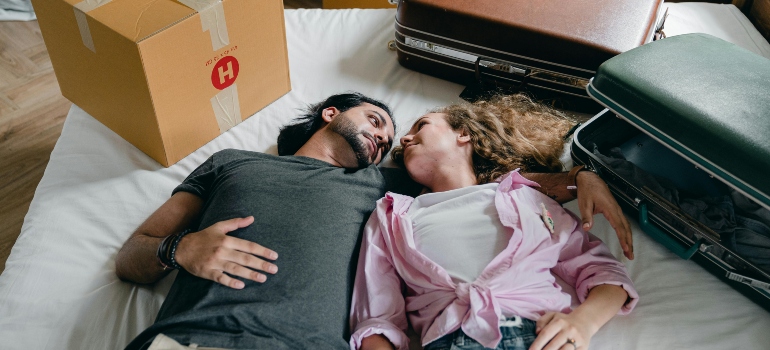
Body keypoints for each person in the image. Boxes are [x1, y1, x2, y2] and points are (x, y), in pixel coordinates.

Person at [115, 92, 631, 350]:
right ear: (330, 114)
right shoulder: (234, 163)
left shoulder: (391, 192)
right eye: (377, 122)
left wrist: (582, 174)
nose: (388, 139)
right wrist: (178, 250)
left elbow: (492, 193)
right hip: (197, 338)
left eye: (393, 137)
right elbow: (132, 257)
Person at [349, 94, 638, 350]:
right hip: (450, 338)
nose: (404, 139)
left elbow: (603, 271)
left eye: (421, 125)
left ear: (462, 133)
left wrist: (582, 324)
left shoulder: (524, 198)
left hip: (539, 333)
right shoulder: (391, 215)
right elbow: (377, 315)